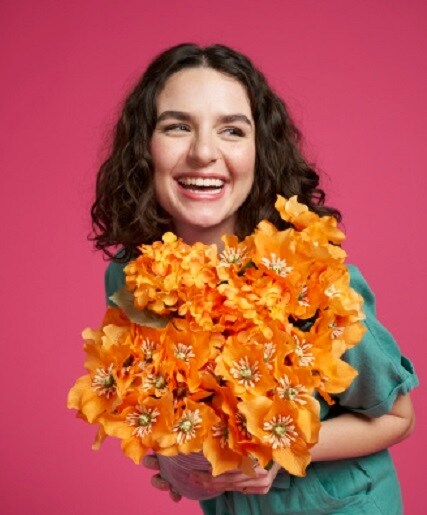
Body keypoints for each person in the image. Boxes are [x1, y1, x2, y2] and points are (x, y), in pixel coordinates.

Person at [90, 43, 418, 514]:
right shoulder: (130, 276)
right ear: (145, 146)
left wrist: (279, 448)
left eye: (232, 130)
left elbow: (396, 418)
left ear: (259, 151)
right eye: (177, 126)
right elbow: (161, 405)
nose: (204, 152)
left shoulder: (312, 277)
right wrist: (174, 457)